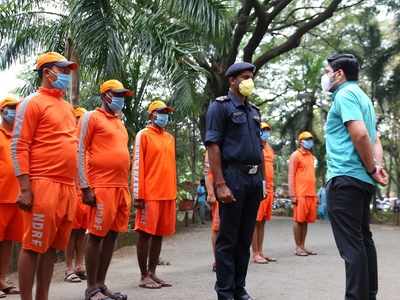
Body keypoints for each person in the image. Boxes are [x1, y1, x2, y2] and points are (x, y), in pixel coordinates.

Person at [12, 52, 78, 300]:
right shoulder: (32, 102)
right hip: (43, 184)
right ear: (47, 72)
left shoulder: (67, 107)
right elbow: (19, 145)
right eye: (62, 69)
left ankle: (43, 297)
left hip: (66, 187)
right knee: (32, 246)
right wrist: (25, 188)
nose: (66, 74)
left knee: (52, 248)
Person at [323, 53, 388, 300]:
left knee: (352, 246)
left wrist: (372, 168)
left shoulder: (345, 95)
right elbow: (375, 139)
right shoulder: (363, 98)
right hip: (361, 180)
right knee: (363, 240)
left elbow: (360, 135)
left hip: (345, 178)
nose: (326, 77)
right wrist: (375, 166)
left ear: (339, 73)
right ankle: (368, 295)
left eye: (328, 72)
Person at [205, 62, 263, 300]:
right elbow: (213, 145)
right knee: (228, 239)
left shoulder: (254, 111)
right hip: (233, 177)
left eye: (251, 77)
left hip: (253, 180)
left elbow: (258, 149)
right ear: (232, 80)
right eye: (244, 77)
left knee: (244, 238)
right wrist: (220, 184)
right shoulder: (219, 108)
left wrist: (263, 182)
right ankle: (226, 292)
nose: (249, 81)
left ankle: (239, 288)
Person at [78, 80, 132, 300]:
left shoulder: (119, 122)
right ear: (105, 95)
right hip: (101, 186)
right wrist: (84, 186)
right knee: (96, 236)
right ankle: (91, 288)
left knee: (112, 235)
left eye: (123, 95)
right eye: (117, 94)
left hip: (121, 187)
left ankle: (101, 284)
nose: (121, 98)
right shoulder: (91, 117)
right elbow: (79, 150)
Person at [132, 99, 177, 289]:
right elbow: (137, 165)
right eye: (161, 112)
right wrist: (138, 194)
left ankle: (152, 273)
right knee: (145, 235)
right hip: (149, 194)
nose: (164, 116)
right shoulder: (143, 135)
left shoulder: (170, 138)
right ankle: (143, 276)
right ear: (152, 115)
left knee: (159, 235)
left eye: (166, 112)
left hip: (167, 194)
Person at [0, 96, 22, 297]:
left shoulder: (18, 137)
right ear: (2, 111)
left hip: (16, 198)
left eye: (17, 108)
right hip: (0, 198)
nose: (14, 111)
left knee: (8, 242)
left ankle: (2, 279)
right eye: (10, 108)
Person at [64, 107, 88, 283]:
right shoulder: (69, 142)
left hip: (84, 195)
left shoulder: (88, 144)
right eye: (78, 118)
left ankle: (80, 265)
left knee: (81, 233)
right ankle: (68, 268)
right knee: (70, 233)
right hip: (71, 193)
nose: (81, 122)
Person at [288, 131, 318, 257]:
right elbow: (291, 175)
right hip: (300, 194)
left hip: (311, 193)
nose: (309, 141)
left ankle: (303, 246)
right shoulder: (295, 155)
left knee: (305, 221)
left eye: (311, 139)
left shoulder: (311, 157)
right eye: (306, 139)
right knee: (298, 220)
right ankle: (297, 247)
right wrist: (292, 194)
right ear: (300, 141)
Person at [251, 122, 277, 264]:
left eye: (267, 129)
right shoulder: (254, 145)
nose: (266, 132)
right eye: (263, 130)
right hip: (258, 186)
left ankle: (260, 251)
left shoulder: (269, 148)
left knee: (263, 222)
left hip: (269, 188)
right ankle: (255, 253)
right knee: (255, 221)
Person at [204, 151, 219, 272]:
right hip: (219, 192)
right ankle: (217, 260)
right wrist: (210, 193)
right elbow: (208, 173)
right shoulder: (211, 149)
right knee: (217, 228)